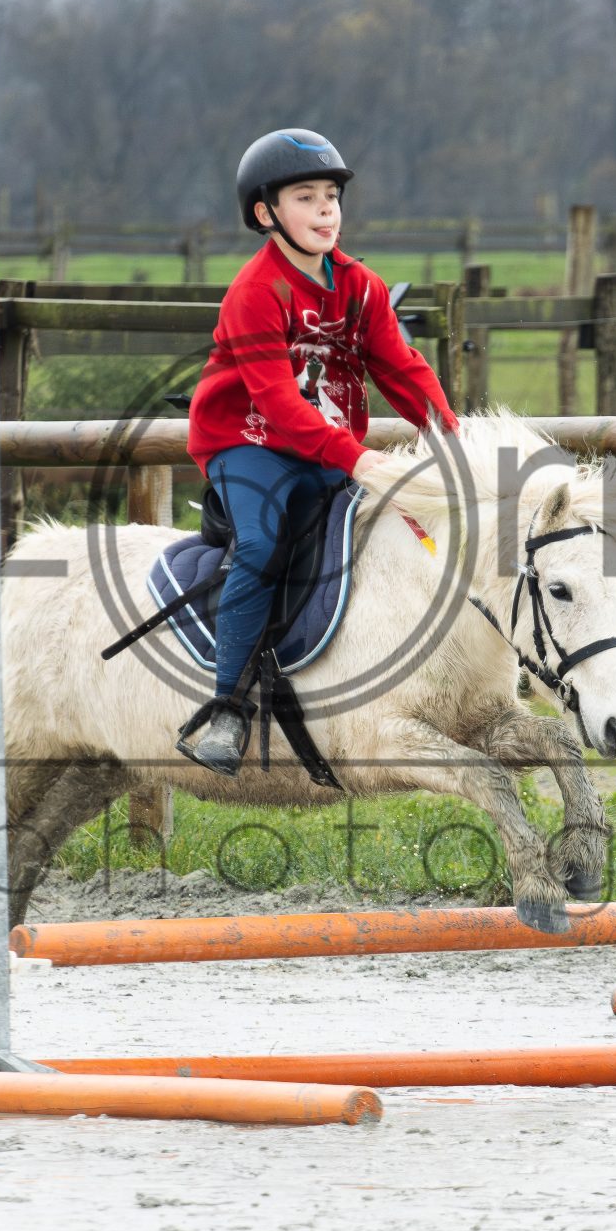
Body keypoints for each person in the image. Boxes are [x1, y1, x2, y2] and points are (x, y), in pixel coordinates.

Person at [178, 128, 459, 775]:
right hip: (248, 442)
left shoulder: (362, 287)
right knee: (261, 545)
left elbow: (403, 368)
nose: (326, 209)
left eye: (331, 195)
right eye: (305, 197)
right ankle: (226, 709)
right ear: (265, 213)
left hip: (326, 445)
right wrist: (356, 458)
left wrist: (450, 438)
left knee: (400, 529)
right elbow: (278, 405)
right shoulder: (255, 292)